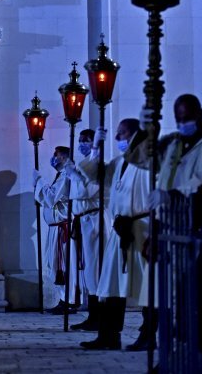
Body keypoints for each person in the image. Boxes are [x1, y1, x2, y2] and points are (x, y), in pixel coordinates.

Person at [128, 94, 202, 352]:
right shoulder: (173, 143)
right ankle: (174, 356)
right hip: (172, 230)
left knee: (195, 299)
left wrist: (171, 196)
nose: (183, 123)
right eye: (178, 119)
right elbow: (142, 159)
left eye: (187, 118)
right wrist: (145, 131)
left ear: (201, 113)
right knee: (171, 297)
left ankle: (196, 356)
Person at [74, 119, 151, 350]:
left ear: (136, 135)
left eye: (122, 133)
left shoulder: (148, 163)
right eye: (116, 134)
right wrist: (96, 147)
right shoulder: (119, 162)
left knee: (148, 286)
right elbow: (96, 176)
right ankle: (108, 335)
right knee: (110, 285)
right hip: (120, 229)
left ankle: (149, 334)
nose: (118, 138)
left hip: (141, 229)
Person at [63, 128, 108, 332]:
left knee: (95, 269)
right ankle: (93, 314)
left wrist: (74, 175)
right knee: (88, 269)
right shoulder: (83, 167)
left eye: (85, 140)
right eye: (79, 140)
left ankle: (99, 315)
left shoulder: (97, 166)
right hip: (83, 221)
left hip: (94, 220)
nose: (81, 143)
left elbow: (86, 191)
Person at [33, 146, 84, 315]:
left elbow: (51, 197)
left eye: (56, 155)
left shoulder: (66, 176)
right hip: (56, 228)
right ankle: (64, 299)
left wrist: (39, 182)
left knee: (64, 265)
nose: (53, 158)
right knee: (56, 265)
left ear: (63, 157)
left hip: (64, 228)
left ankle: (69, 301)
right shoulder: (60, 176)